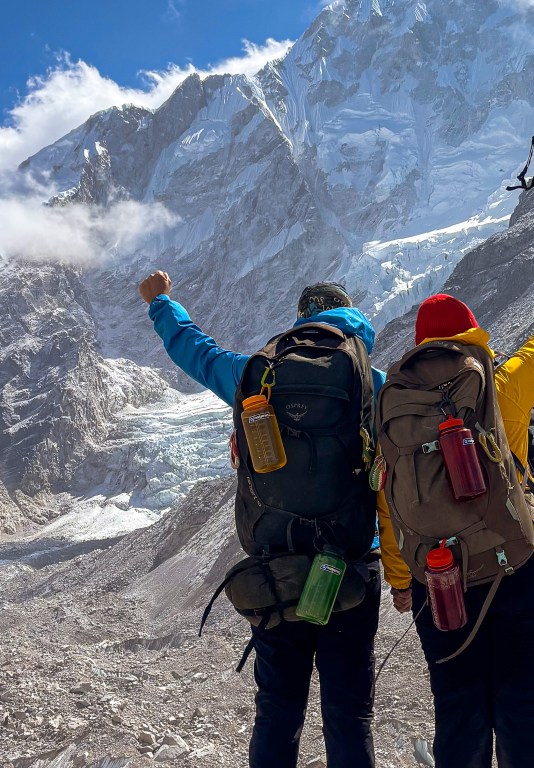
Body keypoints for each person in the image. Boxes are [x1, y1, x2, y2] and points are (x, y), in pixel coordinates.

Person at [138, 270, 411, 768]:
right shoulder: (371, 383)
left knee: (278, 712)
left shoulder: (258, 374)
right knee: (349, 715)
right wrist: (403, 576)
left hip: (274, 574)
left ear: (300, 323)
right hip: (349, 570)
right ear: (351, 325)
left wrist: (162, 303)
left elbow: (196, 352)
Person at [381, 247, 534, 768]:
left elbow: (390, 503)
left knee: (459, 715)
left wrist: (402, 582)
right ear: (472, 338)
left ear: (421, 350)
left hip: (440, 584)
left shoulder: (396, 412)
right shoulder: (501, 386)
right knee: (525, 711)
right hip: (522, 570)